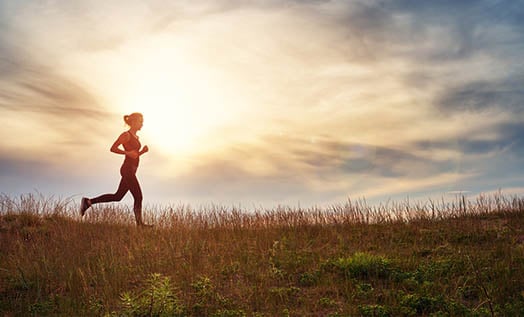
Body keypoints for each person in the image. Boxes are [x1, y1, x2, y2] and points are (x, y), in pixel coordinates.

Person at [80, 112, 150, 226]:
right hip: (127, 170)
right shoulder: (126, 135)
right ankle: (140, 225)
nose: (142, 124)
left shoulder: (136, 137)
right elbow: (113, 148)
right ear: (133, 122)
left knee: (117, 196)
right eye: (140, 121)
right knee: (138, 197)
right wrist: (126, 152)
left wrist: (142, 152)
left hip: (131, 170)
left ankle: (88, 202)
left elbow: (134, 156)